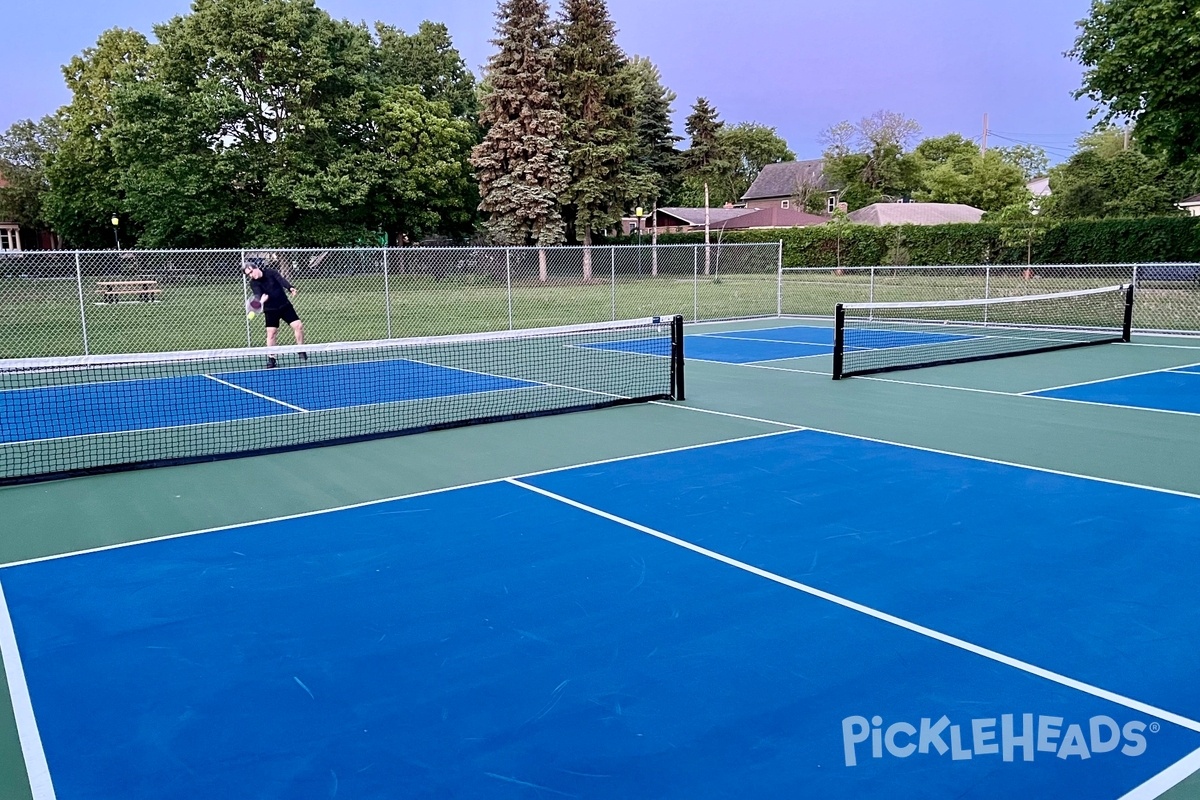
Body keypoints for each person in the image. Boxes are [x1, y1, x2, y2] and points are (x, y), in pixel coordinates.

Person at [243, 260, 306, 367]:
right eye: (248, 275)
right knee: (271, 334)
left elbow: (281, 280)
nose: (251, 275)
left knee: (298, 326)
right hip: (271, 310)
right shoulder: (253, 283)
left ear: (256, 268)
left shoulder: (271, 272)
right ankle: (271, 358)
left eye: (251, 272)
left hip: (284, 306)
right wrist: (261, 301)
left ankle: (300, 349)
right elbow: (257, 295)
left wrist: (290, 288)